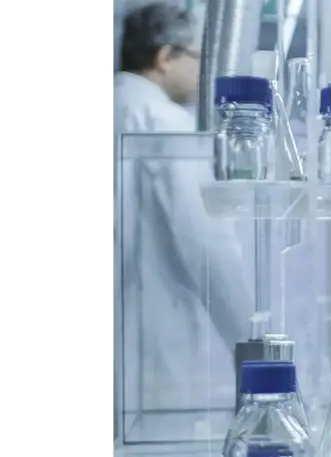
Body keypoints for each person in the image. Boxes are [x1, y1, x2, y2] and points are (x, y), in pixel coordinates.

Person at [116, 3, 252, 413]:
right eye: (196, 57)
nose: (199, 73)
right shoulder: (164, 123)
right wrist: (248, 343)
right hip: (150, 353)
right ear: (164, 56)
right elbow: (205, 241)